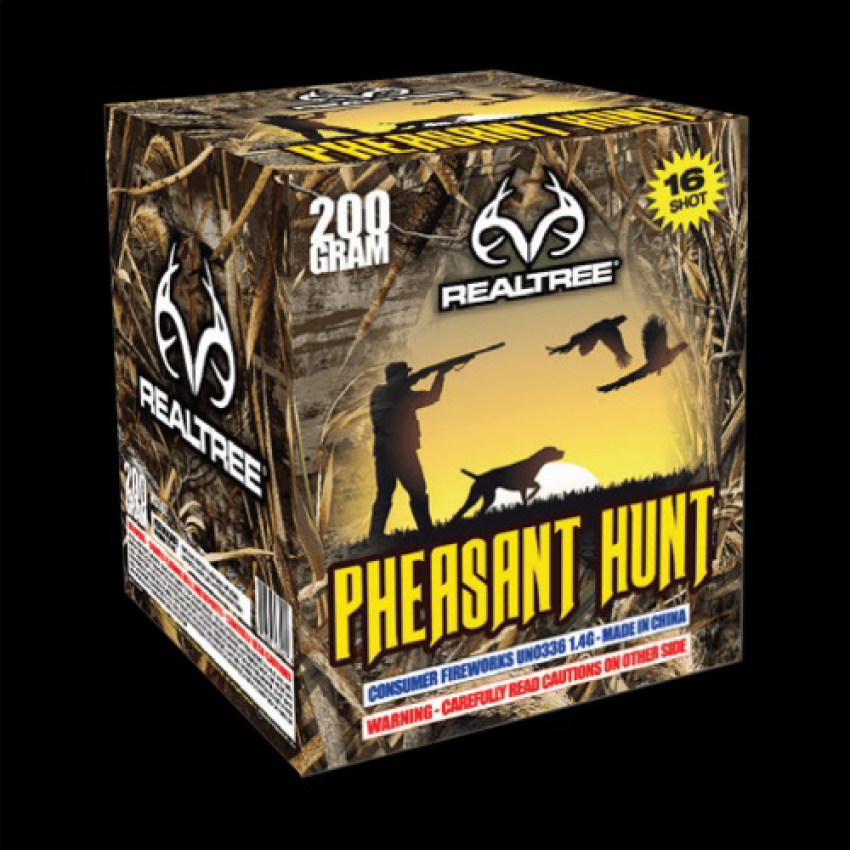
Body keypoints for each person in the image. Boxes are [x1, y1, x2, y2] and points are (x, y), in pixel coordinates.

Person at [368, 361, 449, 541]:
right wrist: (440, 375)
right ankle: (427, 531)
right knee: (418, 491)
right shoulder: (402, 396)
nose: (407, 377)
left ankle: (375, 536)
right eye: (404, 375)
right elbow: (433, 397)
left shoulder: (378, 394)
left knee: (384, 494)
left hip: (382, 452)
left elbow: (399, 391)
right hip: (402, 452)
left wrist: (421, 377)